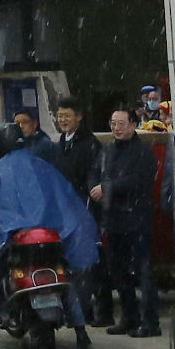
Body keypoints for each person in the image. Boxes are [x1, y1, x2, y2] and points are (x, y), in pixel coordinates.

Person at [0, 123, 97, 349]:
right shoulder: (40, 166)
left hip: (17, 240)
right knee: (64, 274)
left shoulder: (2, 171)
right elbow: (62, 198)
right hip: (50, 239)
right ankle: (81, 331)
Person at [92, 109, 160, 337]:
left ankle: (150, 322)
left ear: (133, 125)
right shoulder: (107, 151)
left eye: (121, 123)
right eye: (113, 123)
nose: (117, 128)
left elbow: (137, 181)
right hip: (113, 221)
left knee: (143, 273)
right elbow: (95, 174)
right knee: (119, 273)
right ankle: (129, 317)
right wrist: (95, 187)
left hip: (136, 220)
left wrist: (108, 188)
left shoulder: (143, 153)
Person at [49, 97, 105, 324]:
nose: (63, 120)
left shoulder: (90, 144)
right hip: (63, 214)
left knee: (84, 266)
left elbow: (93, 176)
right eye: (60, 116)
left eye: (67, 116)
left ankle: (83, 312)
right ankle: (75, 310)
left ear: (79, 117)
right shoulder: (60, 143)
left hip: (83, 211)